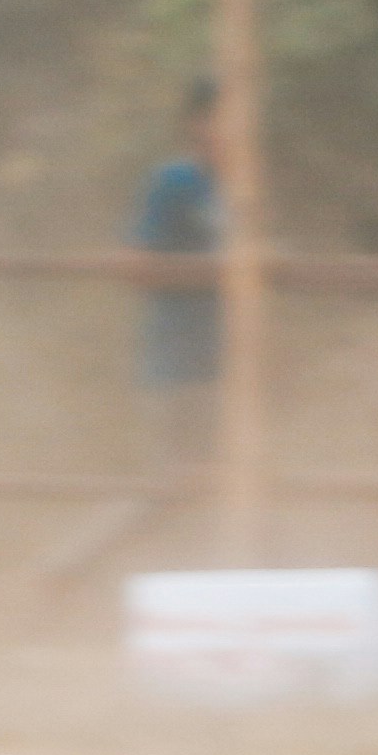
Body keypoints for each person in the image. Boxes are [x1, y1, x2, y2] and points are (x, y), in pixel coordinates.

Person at [134, 85, 226, 481]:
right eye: (225, 118)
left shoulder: (241, 188)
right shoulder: (175, 180)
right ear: (197, 124)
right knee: (171, 484)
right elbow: (137, 263)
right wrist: (215, 271)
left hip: (224, 365)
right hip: (175, 364)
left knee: (218, 486)